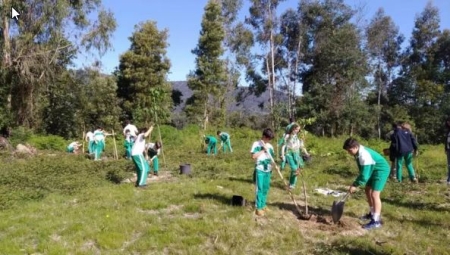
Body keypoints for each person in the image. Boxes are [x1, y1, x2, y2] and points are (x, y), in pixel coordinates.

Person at [343, 138, 390, 230]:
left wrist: (355, 185)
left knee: (375, 194)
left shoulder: (364, 155)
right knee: (367, 189)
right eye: (347, 151)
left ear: (356, 147)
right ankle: (372, 213)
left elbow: (364, 175)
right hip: (373, 169)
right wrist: (356, 183)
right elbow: (364, 172)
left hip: (381, 171)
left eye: (350, 150)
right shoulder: (358, 152)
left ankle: (376, 221)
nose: (349, 152)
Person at [250, 128, 275, 216]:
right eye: (268, 138)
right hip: (259, 169)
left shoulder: (270, 146)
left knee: (265, 188)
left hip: (268, 169)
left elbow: (272, 159)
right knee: (259, 188)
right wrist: (263, 150)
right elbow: (253, 156)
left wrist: (273, 166)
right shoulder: (256, 144)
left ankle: (263, 205)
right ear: (264, 136)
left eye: (270, 139)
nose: (269, 140)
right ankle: (258, 207)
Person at [280, 123, 308, 189]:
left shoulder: (299, 137)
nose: (297, 131)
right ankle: (291, 184)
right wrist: (282, 155)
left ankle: (292, 184)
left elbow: (302, 146)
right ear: (293, 129)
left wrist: (306, 153)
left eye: (298, 129)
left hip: (296, 153)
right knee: (294, 168)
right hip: (289, 153)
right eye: (296, 129)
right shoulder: (287, 136)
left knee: (298, 168)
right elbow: (283, 146)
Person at [445, 117, 450, 185]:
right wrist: (445, 148)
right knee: (449, 164)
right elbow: (446, 141)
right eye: (448, 121)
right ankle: (449, 178)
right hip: (449, 149)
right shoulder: (448, 130)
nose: (448, 123)